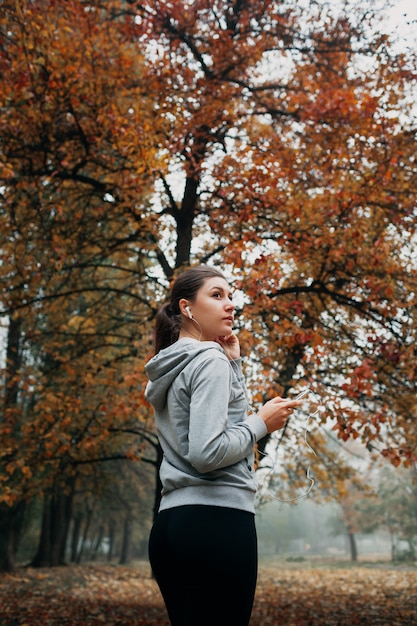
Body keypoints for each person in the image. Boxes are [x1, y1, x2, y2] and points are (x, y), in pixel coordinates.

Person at [145, 265, 302, 626]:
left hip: (171, 526)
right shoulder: (209, 361)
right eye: (217, 295)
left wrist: (235, 366)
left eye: (230, 296)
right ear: (187, 308)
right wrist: (262, 423)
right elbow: (206, 453)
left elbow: (205, 427)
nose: (230, 304)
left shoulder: (173, 365)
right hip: (216, 525)